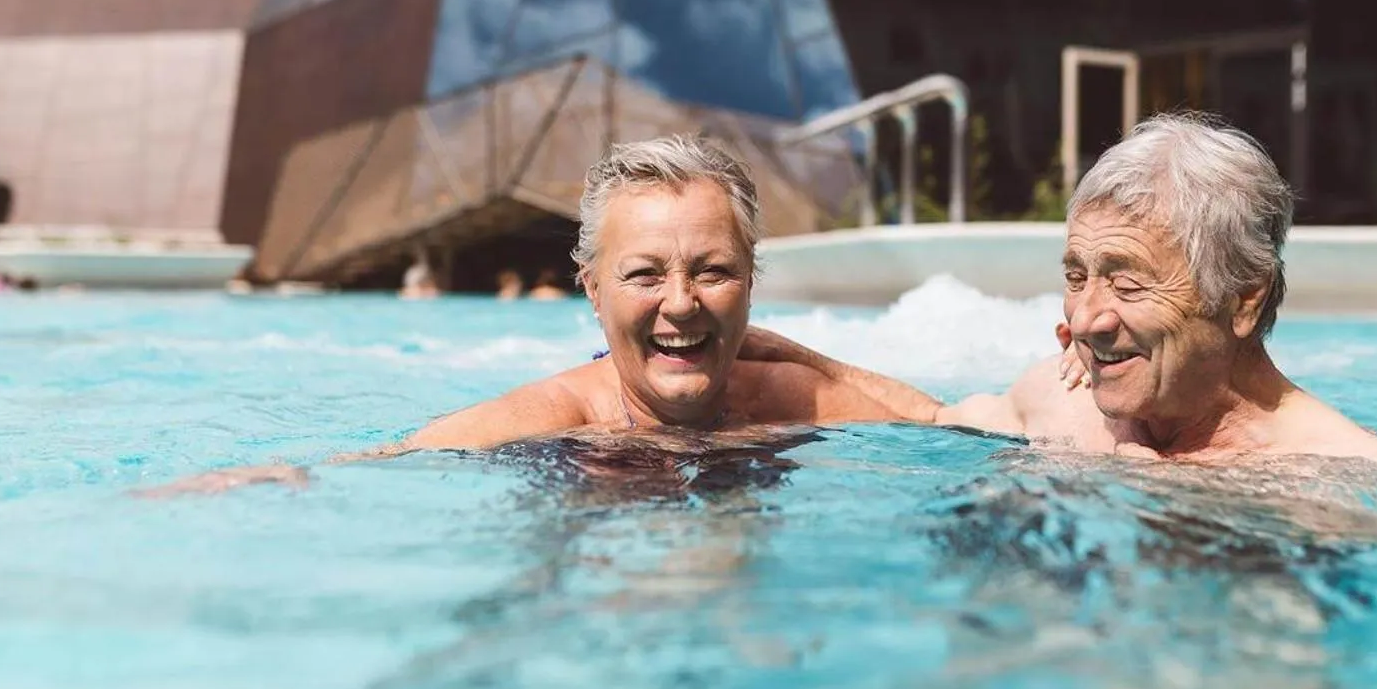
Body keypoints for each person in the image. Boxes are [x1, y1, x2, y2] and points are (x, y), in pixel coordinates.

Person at [147, 135, 914, 495]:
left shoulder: (791, 397)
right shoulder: (551, 417)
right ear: (591, 289)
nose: (680, 303)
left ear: (752, 282)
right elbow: (390, 462)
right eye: (643, 274)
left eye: (713, 272)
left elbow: (956, 425)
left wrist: (813, 362)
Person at [747, 113, 1377, 467]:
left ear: (1243, 297)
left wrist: (1149, 491)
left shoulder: (1340, 477)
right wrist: (770, 356)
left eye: (1125, 282)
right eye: (1076, 277)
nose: (1087, 319)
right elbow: (927, 420)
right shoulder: (1063, 396)